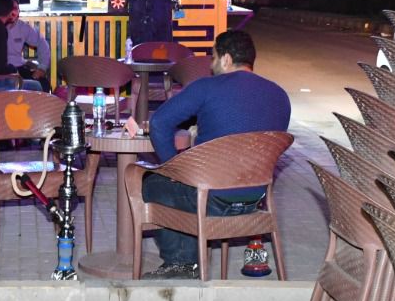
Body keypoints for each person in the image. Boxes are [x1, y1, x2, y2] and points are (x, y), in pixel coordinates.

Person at [123, 29, 291, 279]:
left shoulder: (207, 87)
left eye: (214, 58)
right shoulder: (280, 96)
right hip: (256, 199)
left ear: (226, 59)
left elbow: (159, 123)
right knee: (189, 183)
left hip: (211, 198)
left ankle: (182, 264)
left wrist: (174, 169)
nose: (211, 66)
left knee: (153, 182)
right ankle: (194, 258)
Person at [6, 13, 51, 86]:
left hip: (18, 68)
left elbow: (42, 43)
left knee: (43, 84)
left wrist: (42, 68)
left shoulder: (22, 27)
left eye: (16, 10)